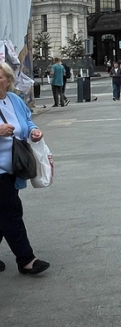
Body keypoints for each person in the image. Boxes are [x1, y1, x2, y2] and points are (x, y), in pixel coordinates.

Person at [0, 62, 50, 275]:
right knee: (11, 212)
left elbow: (27, 122)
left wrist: (34, 131)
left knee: (3, 214)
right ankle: (26, 259)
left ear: (8, 80)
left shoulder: (14, 100)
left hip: (14, 167)